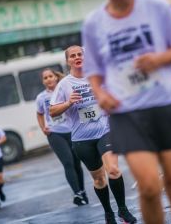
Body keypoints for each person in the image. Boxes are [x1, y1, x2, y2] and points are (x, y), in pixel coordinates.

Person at [81, 0, 171, 224]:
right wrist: (100, 93)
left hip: (165, 103)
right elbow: (93, 71)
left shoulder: (155, 6)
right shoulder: (93, 23)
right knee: (149, 187)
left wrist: (157, 59)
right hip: (126, 112)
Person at [49, 45, 136, 224]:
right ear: (68, 61)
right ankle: (108, 213)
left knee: (113, 169)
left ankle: (123, 210)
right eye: (72, 56)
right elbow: (52, 111)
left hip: (105, 131)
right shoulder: (64, 84)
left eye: (80, 54)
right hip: (82, 140)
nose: (77, 57)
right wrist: (68, 103)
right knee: (98, 179)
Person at [36, 68, 87, 206]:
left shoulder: (65, 91)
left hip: (73, 131)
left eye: (50, 76)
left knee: (77, 163)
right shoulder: (41, 97)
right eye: (45, 78)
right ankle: (76, 193)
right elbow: (39, 113)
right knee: (68, 162)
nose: (48, 79)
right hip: (55, 133)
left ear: (56, 78)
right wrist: (43, 128)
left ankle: (82, 191)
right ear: (43, 81)